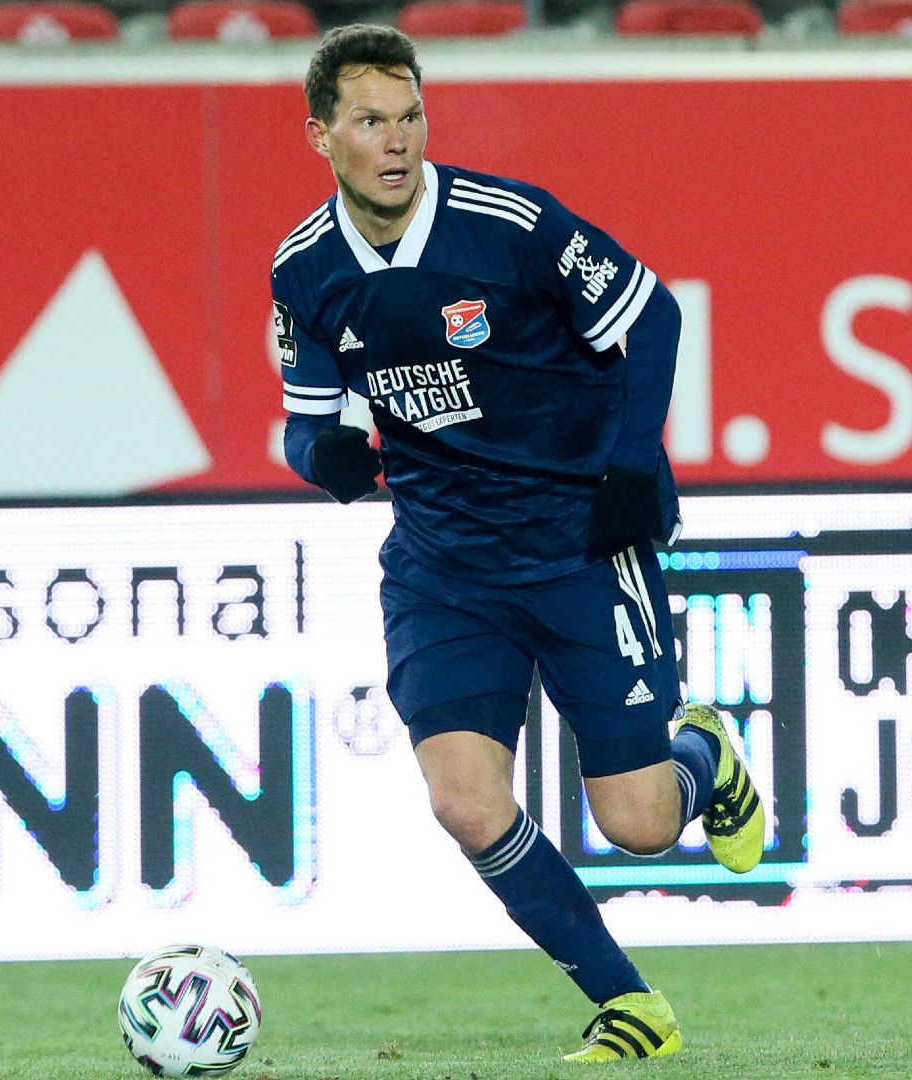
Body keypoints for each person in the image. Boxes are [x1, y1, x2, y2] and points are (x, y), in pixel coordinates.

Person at [270, 24, 766, 1063]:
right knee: (463, 800)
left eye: (410, 116)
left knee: (638, 824)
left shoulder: (510, 224)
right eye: (370, 121)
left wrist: (634, 459)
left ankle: (700, 754)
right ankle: (631, 1006)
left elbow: (654, 314)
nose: (397, 141)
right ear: (322, 134)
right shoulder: (306, 270)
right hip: (445, 565)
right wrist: (326, 457)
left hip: (580, 538)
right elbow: (306, 418)